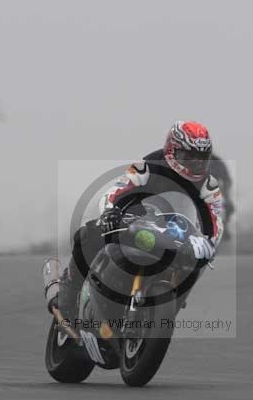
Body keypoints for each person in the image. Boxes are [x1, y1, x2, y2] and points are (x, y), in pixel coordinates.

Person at [48, 120, 225, 322]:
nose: (195, 164)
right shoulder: (147, 166)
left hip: (175, 232)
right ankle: (69, 290)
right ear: (172, 150)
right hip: (137, 220)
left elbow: (215, 222)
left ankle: (171, 305)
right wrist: (111, 212)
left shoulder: (208, 185)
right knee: (89, 233)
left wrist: (209, 243)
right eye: (189, 156)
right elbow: (116, 191)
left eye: (201, 158)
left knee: (199, 262)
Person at [208, 153, 234, 240]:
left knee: (229, 207)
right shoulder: (191, 160)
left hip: (213, 192)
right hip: (195, 191)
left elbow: (227, 180)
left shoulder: (217, 162)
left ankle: (224, 227)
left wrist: (226, 194)